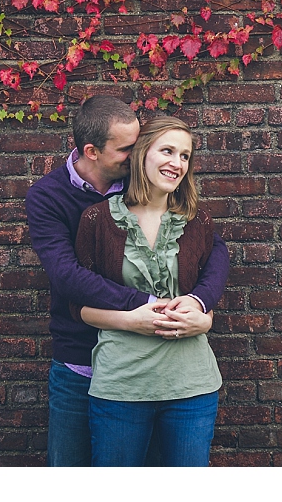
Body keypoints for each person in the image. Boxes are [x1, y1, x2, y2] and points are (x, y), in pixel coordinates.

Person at [25, 96, 228, 467]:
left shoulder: (153, 190)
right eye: (127, 149)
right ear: (92, 151)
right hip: (82, 357)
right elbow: (67, 275)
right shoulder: (54, 199)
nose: (137, 154)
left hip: (167, 369)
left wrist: (201, 305)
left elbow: (213, 249)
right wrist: (147, 306)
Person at [74, 116, 221, 466]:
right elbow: (79, 308)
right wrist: (131, 321)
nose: (177, 163)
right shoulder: (98, 220)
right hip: (122, 384)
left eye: (185, 155)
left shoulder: (197, 220)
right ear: (141, 154)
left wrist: (205, 319)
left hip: (192, 386)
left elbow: (208, 287)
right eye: (167, 150)